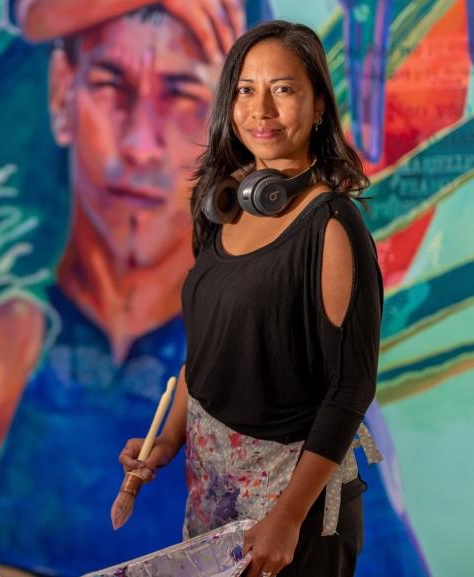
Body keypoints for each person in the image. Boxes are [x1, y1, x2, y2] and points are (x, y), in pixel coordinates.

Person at [0, 2, 284, 575]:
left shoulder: (273, 350)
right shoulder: (2, 341)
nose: (140, 145)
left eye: (182, 95)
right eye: (110, 87)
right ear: (61, 94)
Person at [119, 19, 383, 577]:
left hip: (292, 510)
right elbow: (211, 345)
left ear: (317, 108)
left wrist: (288, 517)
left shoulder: (331, 225)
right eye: (245, 89)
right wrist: (166, 439)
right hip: (211, 493)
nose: (260, 108)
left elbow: (350, 388)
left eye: (283, 89)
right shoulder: (225, 208)